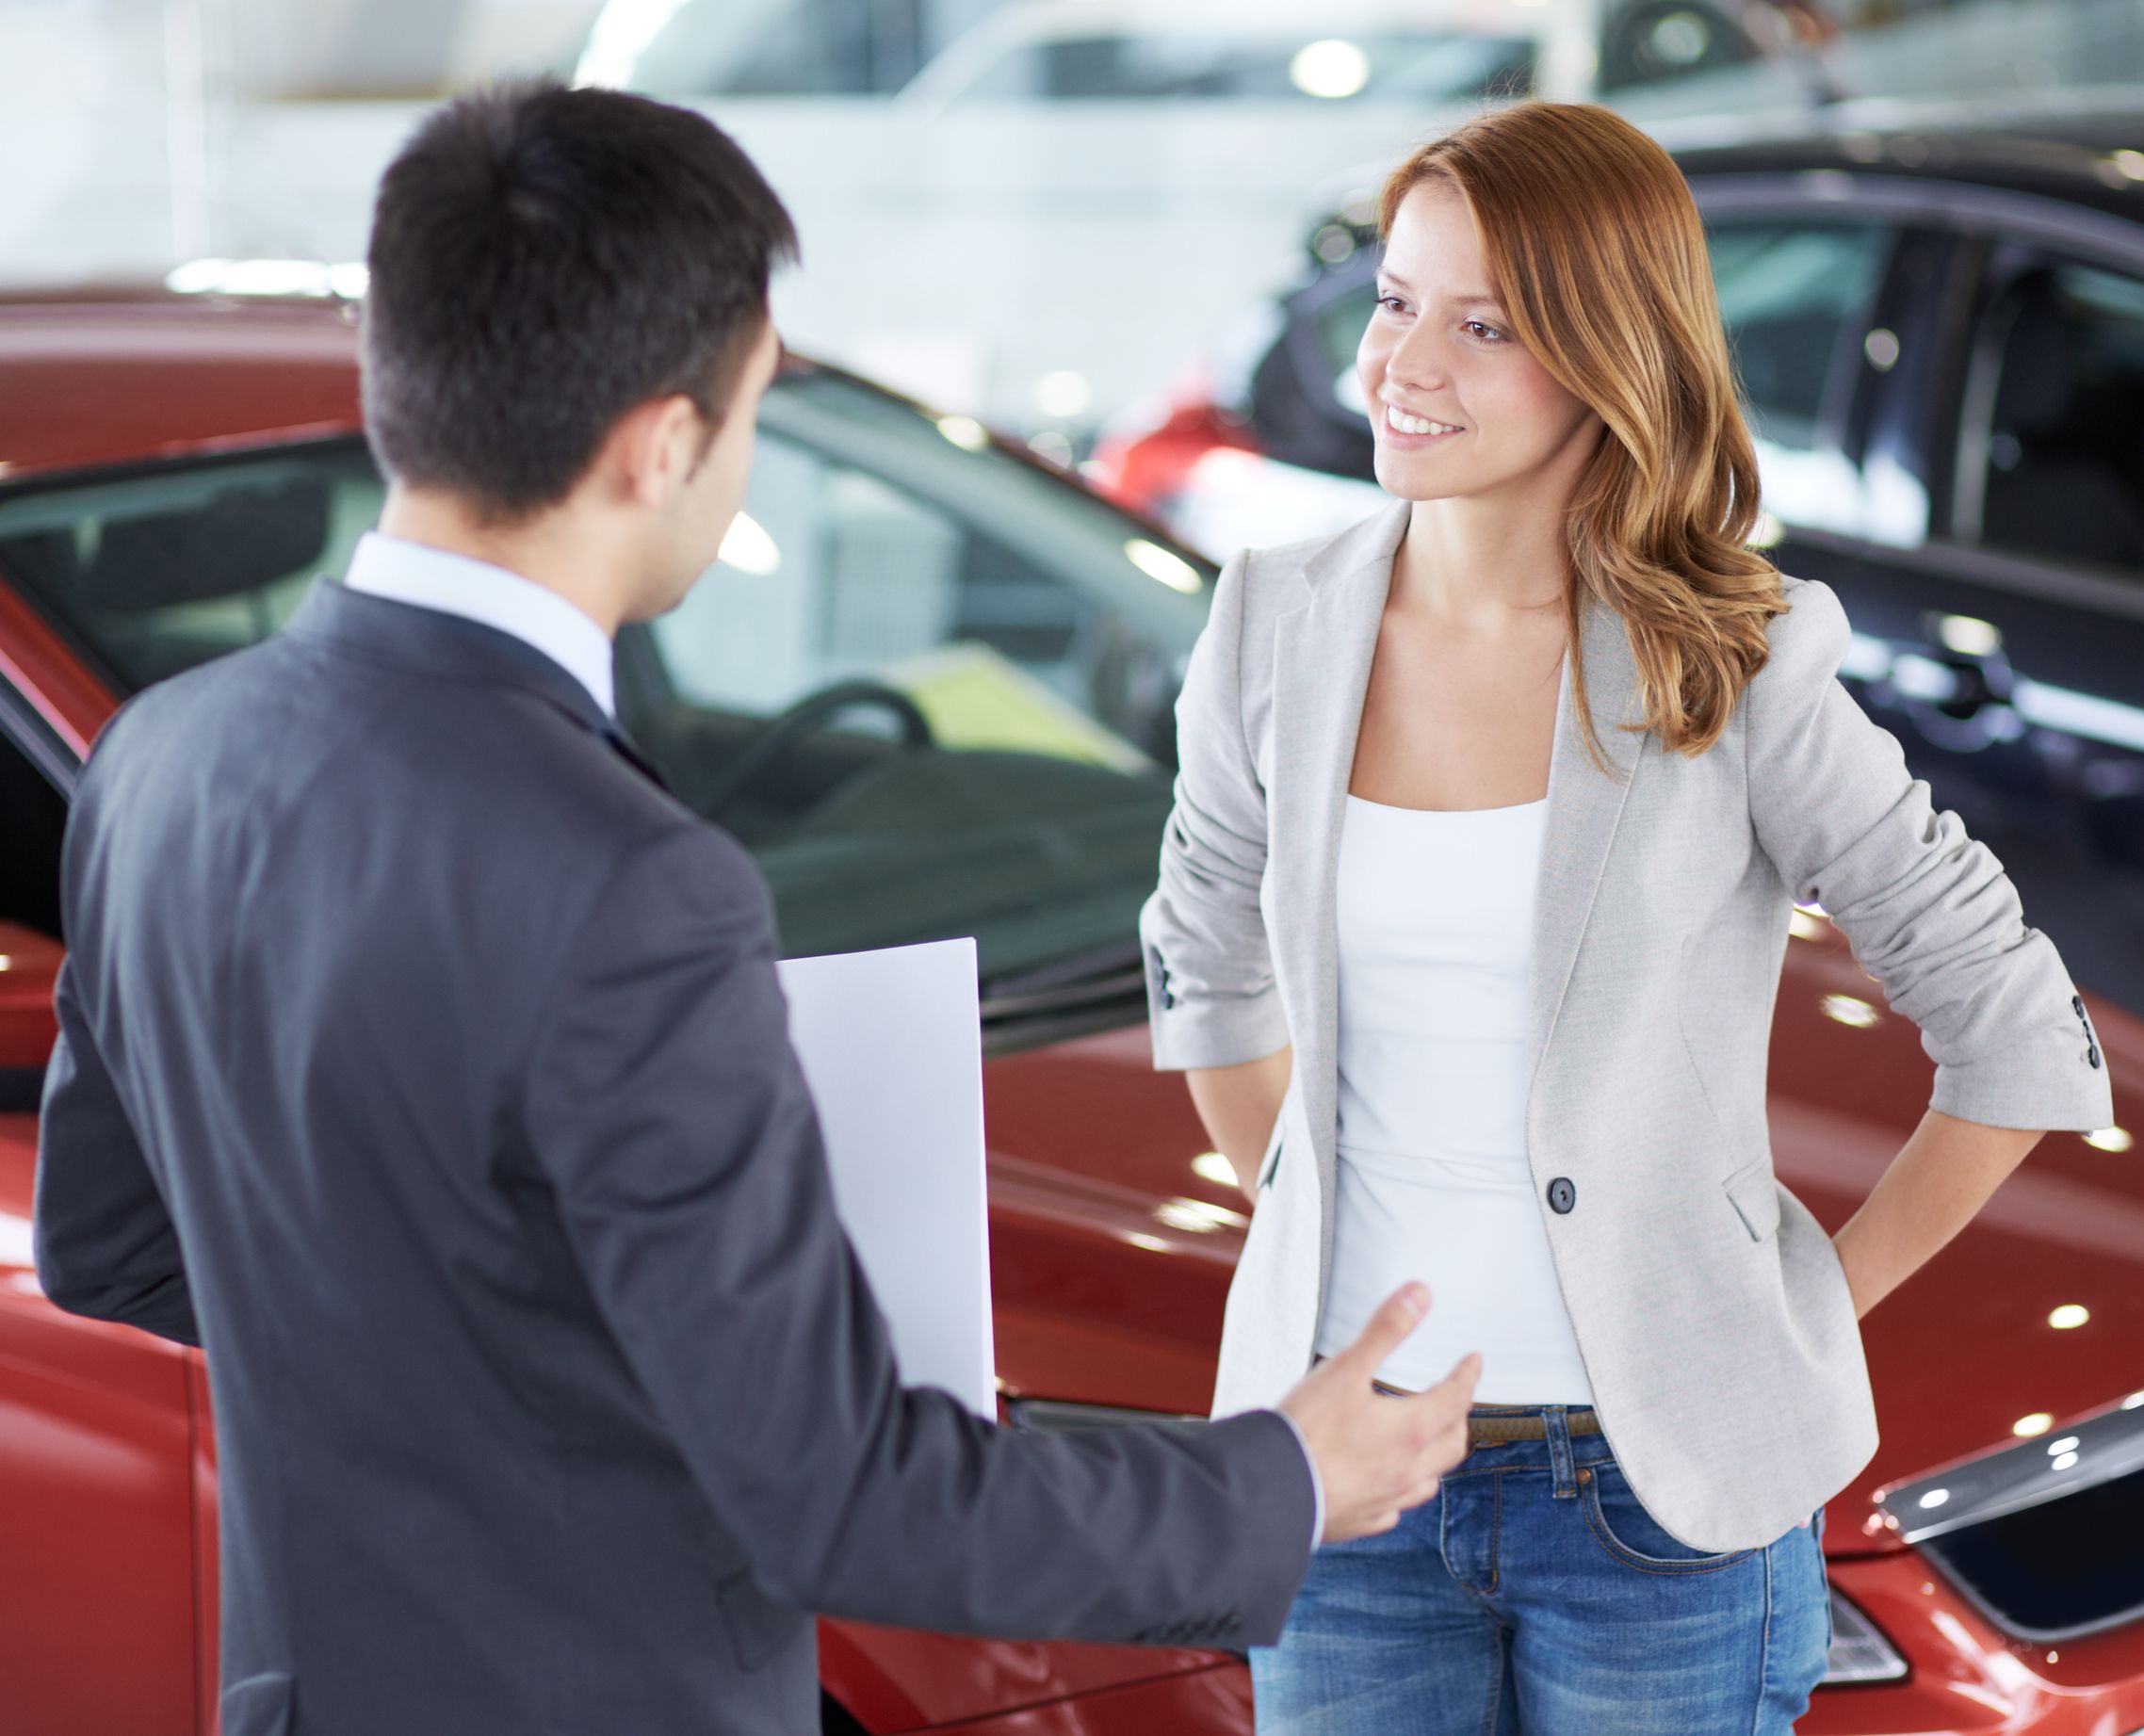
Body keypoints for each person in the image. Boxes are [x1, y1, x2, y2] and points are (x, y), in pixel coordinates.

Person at [29, 80, 1485, 1736]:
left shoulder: (162, 763)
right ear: (664, 442)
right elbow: (847, 1505)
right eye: (748, 416)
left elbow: (111, 1247)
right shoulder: (630, 887)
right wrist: (1284, 1479)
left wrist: (479, 1344)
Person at [1138, 100, 2113, 1735]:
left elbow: (2013, 1024)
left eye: (1484, 325)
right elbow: (1209, 965)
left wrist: (1796, 1310)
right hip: (1350, 1479)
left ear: (1605, 357)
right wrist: (1308, 1229)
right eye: (1393, 302)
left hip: (1656, 1507)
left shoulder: (1735, 658)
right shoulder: (1271, 623)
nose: (1405, 365)